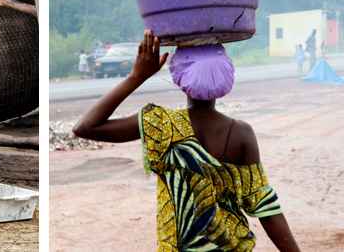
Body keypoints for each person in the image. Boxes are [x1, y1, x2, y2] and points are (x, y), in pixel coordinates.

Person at [73, 30, 300, 251]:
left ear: (178, 76)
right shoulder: (242, 133)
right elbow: (265, 207)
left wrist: (137, 76)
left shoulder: (160, 124)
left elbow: (85, 127)